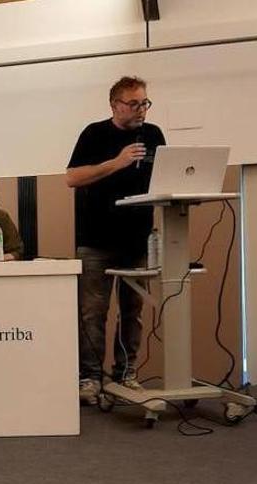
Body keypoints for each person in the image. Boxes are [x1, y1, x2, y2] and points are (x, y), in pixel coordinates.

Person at [66, 76, 166, 405]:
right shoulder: (94, 134)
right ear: (115, 105)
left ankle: (127, 373)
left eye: (145, 103)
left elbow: (164, 177)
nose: (141, 110)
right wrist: (117, 162)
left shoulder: (153, 136)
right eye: (134, 103)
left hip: (137, 241)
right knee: (93, 312)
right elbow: (72, 177)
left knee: (132, 311)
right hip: (96, 241)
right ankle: (90, 378)